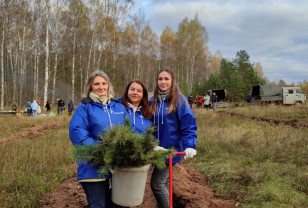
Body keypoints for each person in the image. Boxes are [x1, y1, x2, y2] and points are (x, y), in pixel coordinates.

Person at [69, 70, 128, 208]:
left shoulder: (118, 106)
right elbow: (78, 133)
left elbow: (128, 131)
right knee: (98, 205)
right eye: (96, 84)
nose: (101, 87)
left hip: (117, 167)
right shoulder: (84, 108)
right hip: (92, 167)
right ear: (90, 87)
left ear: (109, 85)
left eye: (104, 83)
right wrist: (102, 151)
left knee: (118, 204)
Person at [149, 68, 197, 208]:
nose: (163, 82)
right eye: (160, 79)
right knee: (165, 183)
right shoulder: (153, 101)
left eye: (166, 79)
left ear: (172, 81)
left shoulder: (179, 100)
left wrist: (190, 145)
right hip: (156, 150)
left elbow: (188, 124)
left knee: (157, 185)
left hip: (170, 150)